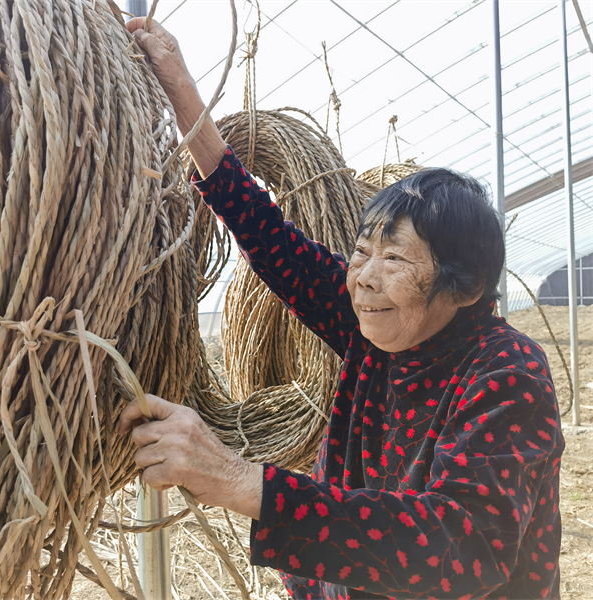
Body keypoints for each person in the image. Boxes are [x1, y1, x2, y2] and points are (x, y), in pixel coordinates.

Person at [117, 17, 565, 600]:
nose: (365, 279)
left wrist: (237, 479)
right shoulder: (371, 322)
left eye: (396, 258)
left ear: (468, 287)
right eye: (360, 252)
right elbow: (270, 238)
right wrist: (182, 92)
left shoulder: (506, 375)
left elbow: (465, 545)